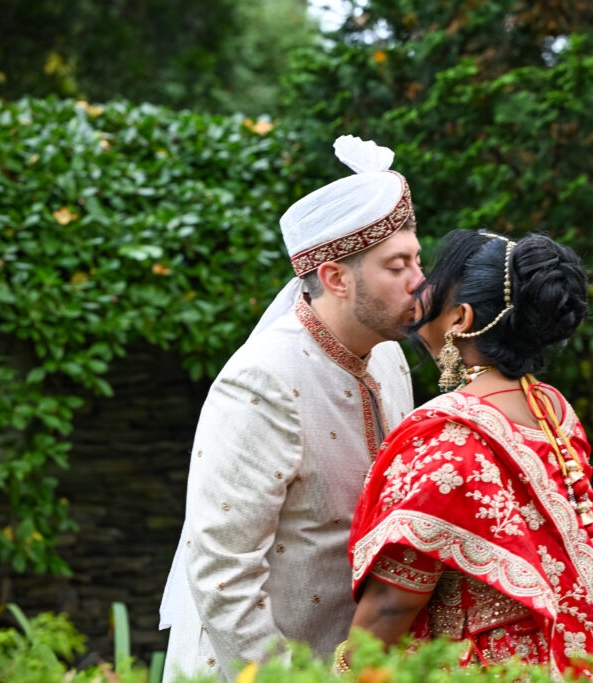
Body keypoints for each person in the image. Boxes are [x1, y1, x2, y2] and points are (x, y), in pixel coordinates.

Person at [338, 230, 593, 682]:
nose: (420, 285)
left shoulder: (449, 437)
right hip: (562, 656)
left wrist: (342, 669)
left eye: (436, 276)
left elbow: (392, 603)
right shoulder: (553, 409)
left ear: (460, 318)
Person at [158, 136, 424, 681]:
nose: (419, 281)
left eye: (418, 259)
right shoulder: (262, 381)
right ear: (334, 278)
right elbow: (221, 575)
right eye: (397, 265)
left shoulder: (392, 358)